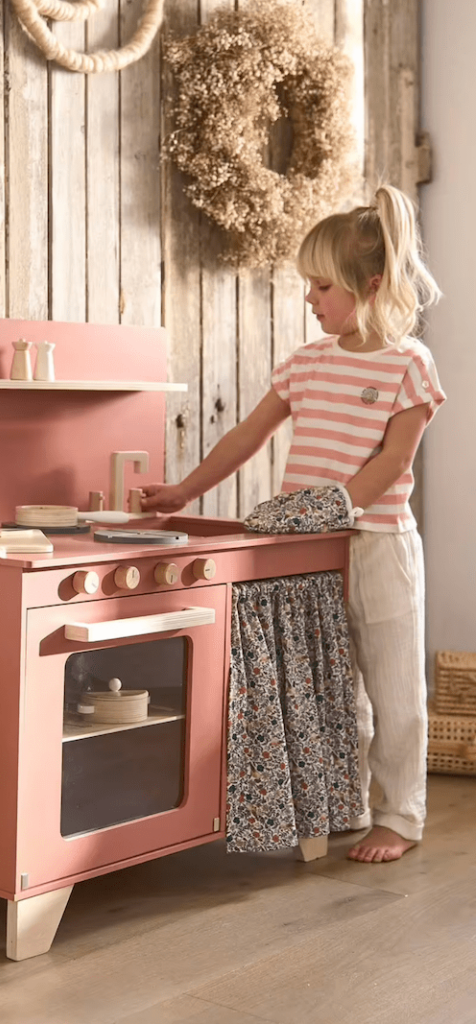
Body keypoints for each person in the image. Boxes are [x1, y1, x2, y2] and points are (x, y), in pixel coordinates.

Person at [141, 184, 446, 863]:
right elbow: (245, 438)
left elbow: (392, 463)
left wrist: (331, 510)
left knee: (395, 690)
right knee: (332, 685)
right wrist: (183, 490)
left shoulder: (408, 367)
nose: (310, 299)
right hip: (306, 554)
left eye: (321, 286)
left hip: (376, 545)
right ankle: (346, 801)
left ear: (368, 286)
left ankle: (401, 814)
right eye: (307, 285)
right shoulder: (307, 365)